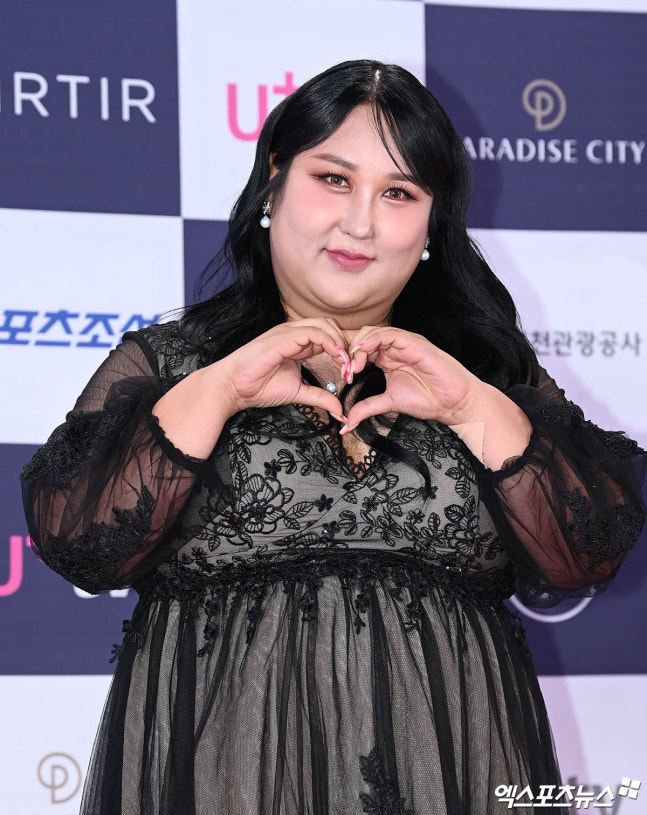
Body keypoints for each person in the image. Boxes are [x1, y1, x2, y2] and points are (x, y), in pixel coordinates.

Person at [22, 60, 645, 815]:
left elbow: (586, 554)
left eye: (398, 193)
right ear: (274, 181)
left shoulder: (490, 373)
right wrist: (221, 391)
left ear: (431, 222)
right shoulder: (172, 365)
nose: (360, 223)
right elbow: (80, 544)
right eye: (334, 179)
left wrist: (471, 408)